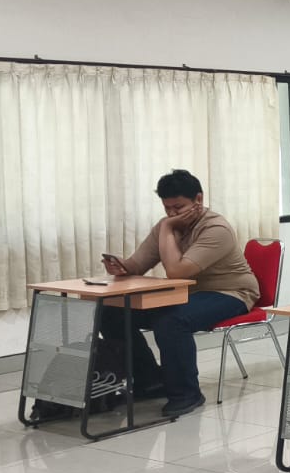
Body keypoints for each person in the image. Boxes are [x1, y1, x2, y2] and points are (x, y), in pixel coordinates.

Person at [101, 169, 259, 418]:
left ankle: (187, 393)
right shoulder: (167, 226)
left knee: (172, 320)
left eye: (178, 207)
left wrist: (167, 227)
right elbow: (138, 264)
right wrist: (122, 267)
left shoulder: (216, 229)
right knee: (111, 311)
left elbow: (176, 272)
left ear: (199, 199)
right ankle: (150, 381)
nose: (173, 214)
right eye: (167, 209)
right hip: (188, 294)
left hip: (231, 292)